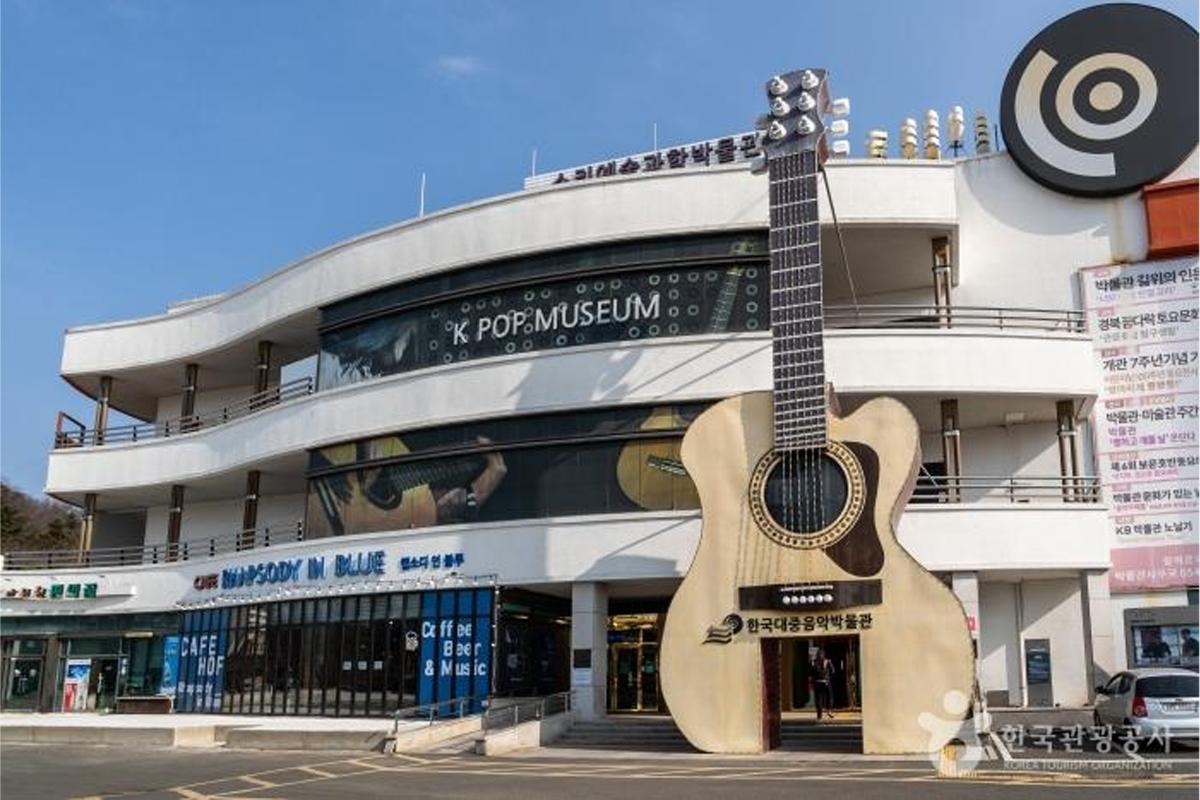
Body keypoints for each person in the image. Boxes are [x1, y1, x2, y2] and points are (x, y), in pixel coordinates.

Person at [811, 648, 835, 720]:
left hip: (817, 682)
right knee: (830, 696)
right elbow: (833, 671)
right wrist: (828, 676)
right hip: (826, 682)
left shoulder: (814, 662)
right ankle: (829, 710)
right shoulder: (827, 661)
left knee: (818, 699)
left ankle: (819, 715)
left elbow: (811, 673)